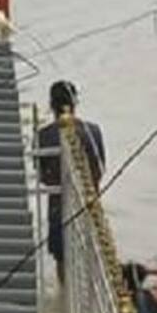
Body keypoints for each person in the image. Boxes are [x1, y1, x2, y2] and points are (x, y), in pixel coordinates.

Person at [36, 81, 106, 283]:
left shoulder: (43, 135)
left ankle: (64, 295)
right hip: (90, 203)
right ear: (75, 103)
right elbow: (100, 168)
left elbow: (42, 177)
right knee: (92, 257)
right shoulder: (93, 131)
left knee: (61, 259)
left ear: (51, 104)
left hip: (58, 207)